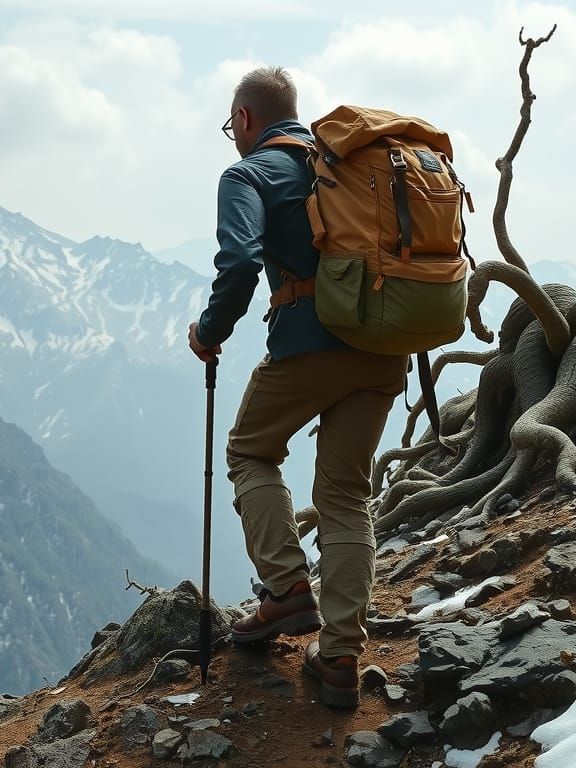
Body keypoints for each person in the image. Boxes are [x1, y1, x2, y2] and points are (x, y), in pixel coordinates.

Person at [188, 66, 408, 709]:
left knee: (249, 451)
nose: (232, 137)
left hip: (311, 345)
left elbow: (239, 258)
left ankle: (285, 589)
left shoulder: (249, 174)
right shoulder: (343, 162)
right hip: (384, 346)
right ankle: (339, 658)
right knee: (345, 494)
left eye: (232, 125)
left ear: (247, 121)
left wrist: (210, 330)